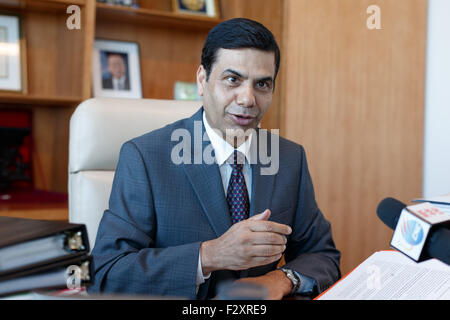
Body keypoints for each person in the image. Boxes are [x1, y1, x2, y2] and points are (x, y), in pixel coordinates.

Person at [89, 18, 340, 300]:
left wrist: (280, 279)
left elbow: (322, 254)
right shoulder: (145, 157)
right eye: (232, 79)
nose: (247, 99)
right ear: (202, 80)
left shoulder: (289, 158)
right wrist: (211, 255)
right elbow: (107, 274)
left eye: (262, 84)